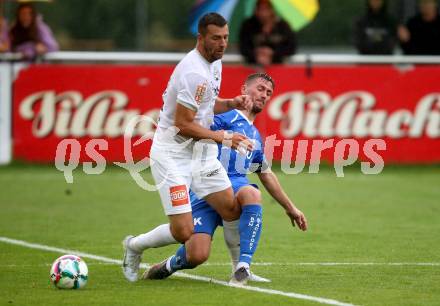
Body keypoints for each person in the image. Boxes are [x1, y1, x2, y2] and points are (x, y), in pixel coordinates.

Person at [122, 13, 256, 283]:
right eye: (216, 38)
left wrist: (230, 103)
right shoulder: (193, 71)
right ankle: (134, 246)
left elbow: (204, 105)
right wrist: (224, 138)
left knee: (230, 209)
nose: (222, 44)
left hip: (201, 153)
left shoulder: (214, 63)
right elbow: (183, 124)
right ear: (201, 38)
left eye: (226, 37)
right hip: (172, 154)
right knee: (183, 231)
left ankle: (239, 272)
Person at [142, 73, 308, 285]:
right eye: (259, 88)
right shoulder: (223, 117)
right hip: (206, 188)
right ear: (243, 90)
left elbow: (265, 173)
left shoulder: (255, 135)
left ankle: (243, 267)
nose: (264, 95)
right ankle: (168, 265)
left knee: (251, 192)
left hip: (235, 186)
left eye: (269, 93)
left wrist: (290, 207)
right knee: (197, 255)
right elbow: (190, 128)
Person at [238, 0, 296, 66]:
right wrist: (257, 53)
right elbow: (243, 48)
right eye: (260, 9)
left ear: (272, 10)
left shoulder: (283, 26)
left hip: (278, 67)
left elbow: (291, 48)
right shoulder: (248, 25)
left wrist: (272, 53)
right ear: (256, 10)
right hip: (253, 68)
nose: (263, 13)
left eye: (266, 9)